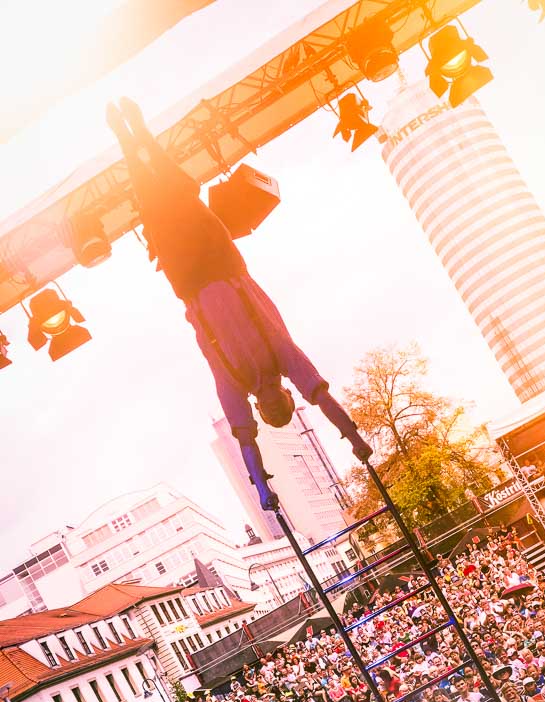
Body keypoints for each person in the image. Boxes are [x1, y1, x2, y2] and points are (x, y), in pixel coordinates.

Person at [106, 97, 371, 511]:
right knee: (175, 194)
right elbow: (320, 398)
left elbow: (249, 437)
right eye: (281, 408)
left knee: (160, 202)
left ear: (262, 410)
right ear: (285, 395)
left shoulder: (238, 385)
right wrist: (353, 437)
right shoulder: (282, 359)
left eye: (271, 414)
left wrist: (263, 488)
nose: (273, 407)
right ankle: (137, 133)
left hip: (196, 281)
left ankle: (128, 138)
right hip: (220, 265)